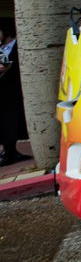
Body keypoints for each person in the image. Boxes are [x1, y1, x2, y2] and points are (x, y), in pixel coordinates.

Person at [0, 20, 26, 166]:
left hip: (13, 91)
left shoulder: (18, 46)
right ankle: (8, 151)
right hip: (2, 92)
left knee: (11, 122)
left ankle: (10, 152)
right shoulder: (1, 47)